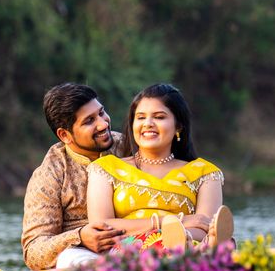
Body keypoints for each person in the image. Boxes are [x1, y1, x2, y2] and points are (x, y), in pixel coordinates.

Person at [86, 83, 233, 251]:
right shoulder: (106, 168)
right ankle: (194, 250)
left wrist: (181, 236)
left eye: (159, 117)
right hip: (127, 249)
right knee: (166, 245)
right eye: (140, 117)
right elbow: (102, 226)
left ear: (178, 126)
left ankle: (199, 248)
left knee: (203, 239)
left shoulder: (204, 172)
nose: (148, 123)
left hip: (187, 243)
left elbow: (204, 225)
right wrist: (167, 225)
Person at [22, 83, 127, 270]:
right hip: (84, 260)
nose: (103, 124)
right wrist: (80, 237)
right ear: (65, 135)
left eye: (101, 113)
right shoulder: (50, 176)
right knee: (72, 259)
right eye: (89, 121)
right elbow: (33, 251)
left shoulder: (128, 148)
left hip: (138, 243)